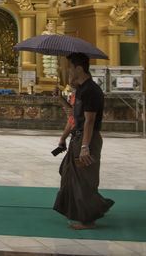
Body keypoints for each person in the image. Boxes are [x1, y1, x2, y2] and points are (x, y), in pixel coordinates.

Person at [53, 52, 114, 230]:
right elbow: (74, 115)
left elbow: (89, 121)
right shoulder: (81, 90)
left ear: (79, 68)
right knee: (68, 174)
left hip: (88, 139)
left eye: (70, 68)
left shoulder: (91, 91)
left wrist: (85, 147)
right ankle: (84, 211)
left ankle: (89, 219)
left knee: (84, 179)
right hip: (78, 137)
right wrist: (60, 99)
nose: (69, 72)